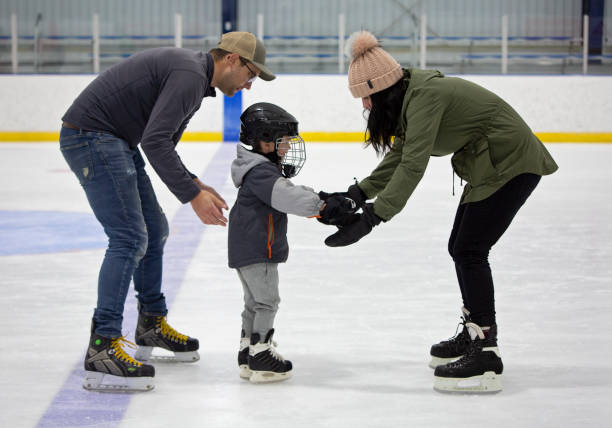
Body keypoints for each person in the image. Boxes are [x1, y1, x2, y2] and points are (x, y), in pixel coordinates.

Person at [321, 31, 558, 393]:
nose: (366, 107)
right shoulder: (411, 96)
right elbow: (402, 155)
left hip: (510, 164)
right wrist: (357, 194)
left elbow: (413, 165)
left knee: (470, 250)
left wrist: (373, 217)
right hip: (490, 167)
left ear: (381, 88)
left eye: (366, 98)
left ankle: (485, 350)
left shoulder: (424, 97)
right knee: (461, 248)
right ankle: (475, 332)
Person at [61, 31, 276, 392]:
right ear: (232, 60)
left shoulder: (196, 80)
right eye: (250, 74)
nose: (250, 85)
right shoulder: (190, 76)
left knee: (154, 229)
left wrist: (193, 181)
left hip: (114, 139)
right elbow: (155, 142)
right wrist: (192, 194)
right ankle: (103, 344)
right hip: (92, 136)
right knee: (129, 237)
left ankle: (150, 323)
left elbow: (161, 142)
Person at [228, 102, 353, 383]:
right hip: (257, 249)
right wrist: (321, 205)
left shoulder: (257, 170)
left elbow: (287, 191)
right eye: (282, 141)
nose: (286, 148)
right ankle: (261, 355)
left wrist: (320, 195)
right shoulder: (261, 173)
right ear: (263, 141)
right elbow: (287, 197)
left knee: (254, 303)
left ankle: (247, 352)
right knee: (267, 302)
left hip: (246, 247)